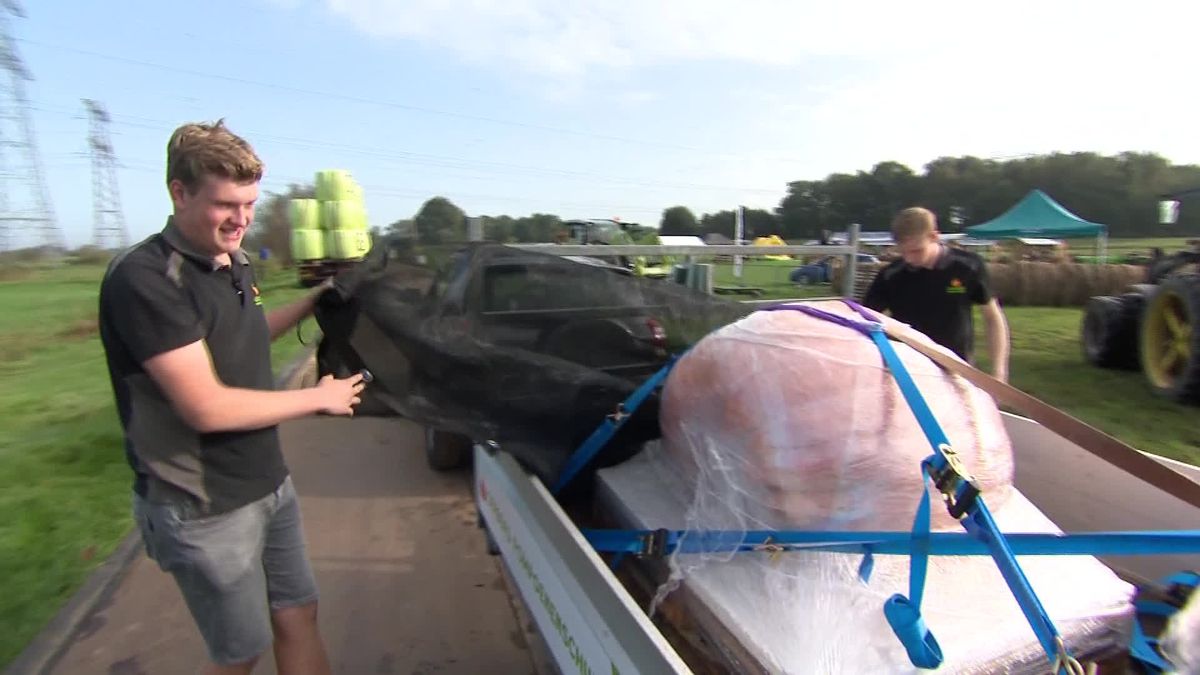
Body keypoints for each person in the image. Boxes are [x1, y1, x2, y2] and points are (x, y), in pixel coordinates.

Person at [98, 119, 364, 675]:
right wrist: (318, 397)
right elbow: (206, 406)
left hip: (268, 483)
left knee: (299, 614)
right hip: (202, 505)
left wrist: (318, 299)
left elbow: (245, 335)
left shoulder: (232, 261)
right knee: (240, 655)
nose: (241, 219)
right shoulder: (147, 280)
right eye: (226, 204)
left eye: (248, 203)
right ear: (179, 191)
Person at [862, 206, 1011, 382]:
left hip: (956, 370)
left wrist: (999, 371)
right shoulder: (891, 276)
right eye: (903, 252)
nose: (909, 259)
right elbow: (866, 320)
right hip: (907, 371)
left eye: (916, 251)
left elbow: (992, 317)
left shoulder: (967, 266)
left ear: (934, 236)